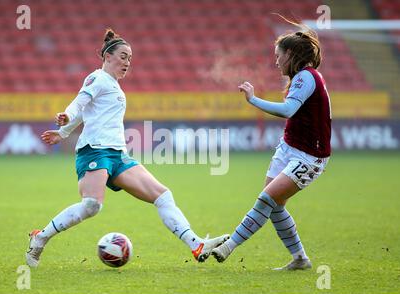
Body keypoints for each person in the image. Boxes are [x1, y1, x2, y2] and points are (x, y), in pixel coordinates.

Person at [25, 29, 229, 267]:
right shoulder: (97, 78)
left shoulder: (114, 86)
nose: (127, 62)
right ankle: (40, 238)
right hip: (95, 151)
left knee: (162, 195)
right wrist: (65, 119)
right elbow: (79, 103)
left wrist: (63, 132)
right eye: (123, 56)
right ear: (107, 56)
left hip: (118, 154)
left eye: (129, 59)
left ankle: (196, 245)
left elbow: (87, 112)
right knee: (91, 206)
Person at [209, 19, 331, 270]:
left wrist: (253, 100)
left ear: (291, 54)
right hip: (288, 148)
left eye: (278, 56)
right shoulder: (301, 77)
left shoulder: (307, 77)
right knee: (275, 206)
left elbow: (288, 110)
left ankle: (230, 244)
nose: (275, 61)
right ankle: (300, 259)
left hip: (309, 156)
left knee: (267, 199)